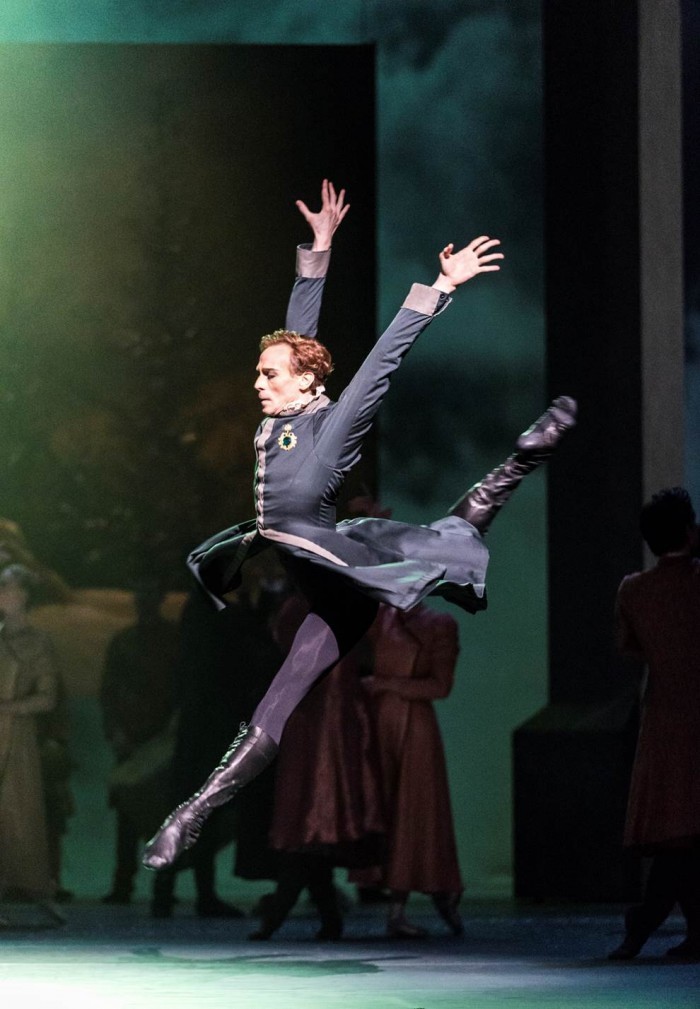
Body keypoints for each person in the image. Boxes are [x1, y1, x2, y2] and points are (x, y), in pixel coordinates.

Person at [143, 179, 576, 872]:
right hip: (319, 591)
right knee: (276, 704)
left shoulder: (330, 427)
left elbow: (381, 362)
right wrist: (317, 252)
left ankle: (523, 457)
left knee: (449, 538)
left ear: (306, 383)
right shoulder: (284, 413)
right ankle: (190, 815)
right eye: (259, 373)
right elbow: (300, 333)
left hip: (338, 568)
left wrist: (441, 286)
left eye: (269, 374)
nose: (259, 382)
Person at [249, 590, 385, 941]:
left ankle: (293, 911)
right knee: (310, 829)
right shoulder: (315, 607)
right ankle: (316, 914)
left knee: (308, 829)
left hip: (323, 727)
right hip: (320, 726)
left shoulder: (311, 608)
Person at [608, 487, 700, 961]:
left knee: (677, 831)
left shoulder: (634, 590)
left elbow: (629, 647)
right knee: (685, 834)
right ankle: (644, 921)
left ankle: (651, 924)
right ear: (689, 530)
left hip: (664, 717)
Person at [352, 600, 464, 938]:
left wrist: (388, 685)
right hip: (380, 724)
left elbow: (440, 686)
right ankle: (408, 903)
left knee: (415, 812)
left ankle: (428, 895)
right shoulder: (381, 617)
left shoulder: (438, 624)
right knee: (385, 810)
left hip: (414, 727)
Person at [100, 581, 178, 904]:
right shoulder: (126, 641)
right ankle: (128, 882)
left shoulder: (171, 640)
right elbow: (109, 690)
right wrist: (116, 731)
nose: (142, 600)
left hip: (161, 739)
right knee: (129, 813)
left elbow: (180, 689)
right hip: (133, 737)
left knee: (162, 812)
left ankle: (160, 883)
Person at [0, 564, 63, 923]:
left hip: (17, 738)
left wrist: (8, 708)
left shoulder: (38, 642)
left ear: (23, 595)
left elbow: (47, 697)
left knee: (19, 812)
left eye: (7, 587)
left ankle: (35, 888)